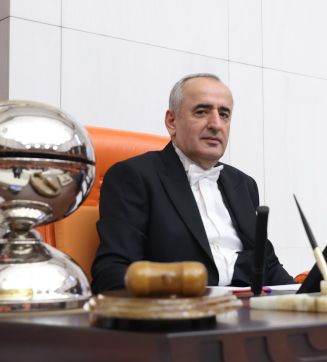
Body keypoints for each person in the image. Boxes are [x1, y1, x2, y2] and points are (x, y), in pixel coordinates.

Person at [90, 73, 295, 292]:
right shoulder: (132, 177)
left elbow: (268, 266)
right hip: (182, 308)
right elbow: (112, 275)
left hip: (249, 308)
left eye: (224, 114)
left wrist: (309, 295)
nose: (216, 124)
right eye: (202, 112)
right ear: (172, 121)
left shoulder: (243, 184)